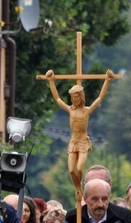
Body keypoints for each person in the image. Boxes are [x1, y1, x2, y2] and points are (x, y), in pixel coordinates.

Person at [44, 69, 116, 199]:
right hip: (73, 142)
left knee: (79, 168)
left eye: (77, 97)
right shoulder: (70, 110)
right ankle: (77, 188)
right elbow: (58, 98)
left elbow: (100, 98)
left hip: (83, 142)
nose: (74, 100)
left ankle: (79, 187)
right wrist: (51, 81)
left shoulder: (86, 111)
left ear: (81, 97)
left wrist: (107, 80)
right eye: (73, 98)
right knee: (71, 170)